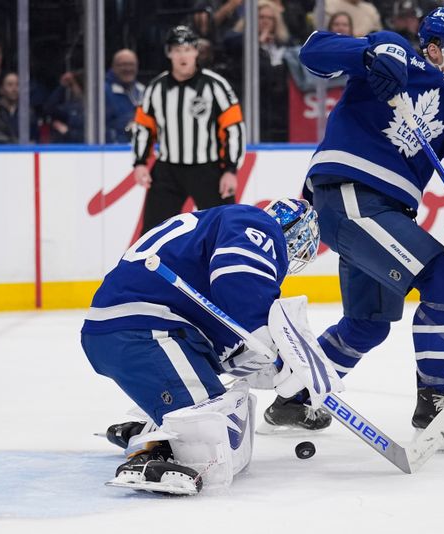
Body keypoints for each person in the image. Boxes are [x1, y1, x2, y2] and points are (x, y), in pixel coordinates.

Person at [265, 7, 444, 453]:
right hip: (350, 194)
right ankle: (433, 403)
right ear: (433, 49)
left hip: (387, 211)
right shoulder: (394, 56)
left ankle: (293, 400)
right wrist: (372, 53)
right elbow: (314, 52)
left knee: (367, 324)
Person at [81, 198, 322, 494]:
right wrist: (273, 339)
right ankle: (153, 451)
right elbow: (238, 280)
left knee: (231, 414)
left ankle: (152, 425)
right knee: (213, 435)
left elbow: (221, 326)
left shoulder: (221, 224)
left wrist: (266, 363)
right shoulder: (259, 224)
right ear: (294, 233)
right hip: (145, 331)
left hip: (129, 328)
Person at [132, 26, 245, 235]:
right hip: (167, 170)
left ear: (196, 51)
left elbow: (234, 128)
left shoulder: (215, 86)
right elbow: (143, 127)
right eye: (176, 49)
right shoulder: (156, 88)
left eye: (187, 49)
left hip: (208, 170)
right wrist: (140, 163)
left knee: (224, 229)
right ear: (169, 53)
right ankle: (147, 268)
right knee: (152, 234)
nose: (182, 55)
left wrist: (230, 170)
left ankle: (228, 265)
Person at [105, 49, 145, 144]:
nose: (128, 69)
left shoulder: (142, 90)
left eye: (131, 65)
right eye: (123, 64)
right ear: (113, 67)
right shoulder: (103, 92)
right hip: (113, 149)